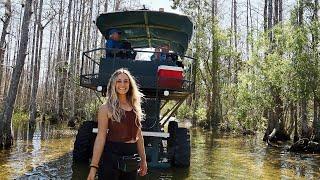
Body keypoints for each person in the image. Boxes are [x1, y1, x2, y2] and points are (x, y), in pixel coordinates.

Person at [87, 68, 148, 180]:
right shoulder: (105, 108)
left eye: (126, 81)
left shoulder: (135, 107)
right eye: (119, 81)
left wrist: (143, 160)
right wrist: (93, 167)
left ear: (130, 84)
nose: (122, 84)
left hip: (131, 160)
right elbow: (100, 138)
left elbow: (139, 136)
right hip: (111, 159)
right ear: (113, 84)